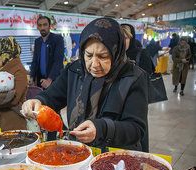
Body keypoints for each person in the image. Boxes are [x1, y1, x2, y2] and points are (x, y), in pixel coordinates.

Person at [22, 17, 149, 152]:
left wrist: (101, 129)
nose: (94, 64)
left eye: (103, 56)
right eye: (88, 55)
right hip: (79, 150)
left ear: (116, 52)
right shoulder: (75, 70)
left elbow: (136, 129)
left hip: (115, 156)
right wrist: (38, 101)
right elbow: (52, 96)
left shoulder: (132, 77)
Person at [29, 15, 64, 89]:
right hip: (41, 81)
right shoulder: (37, 41)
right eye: (40, 25)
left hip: (54, 81)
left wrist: (49, 80)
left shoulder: (57, 39)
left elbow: (58, 61)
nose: (42, 28)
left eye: (45, 25)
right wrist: (32, 77)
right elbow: (35, 61)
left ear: (49, 26)